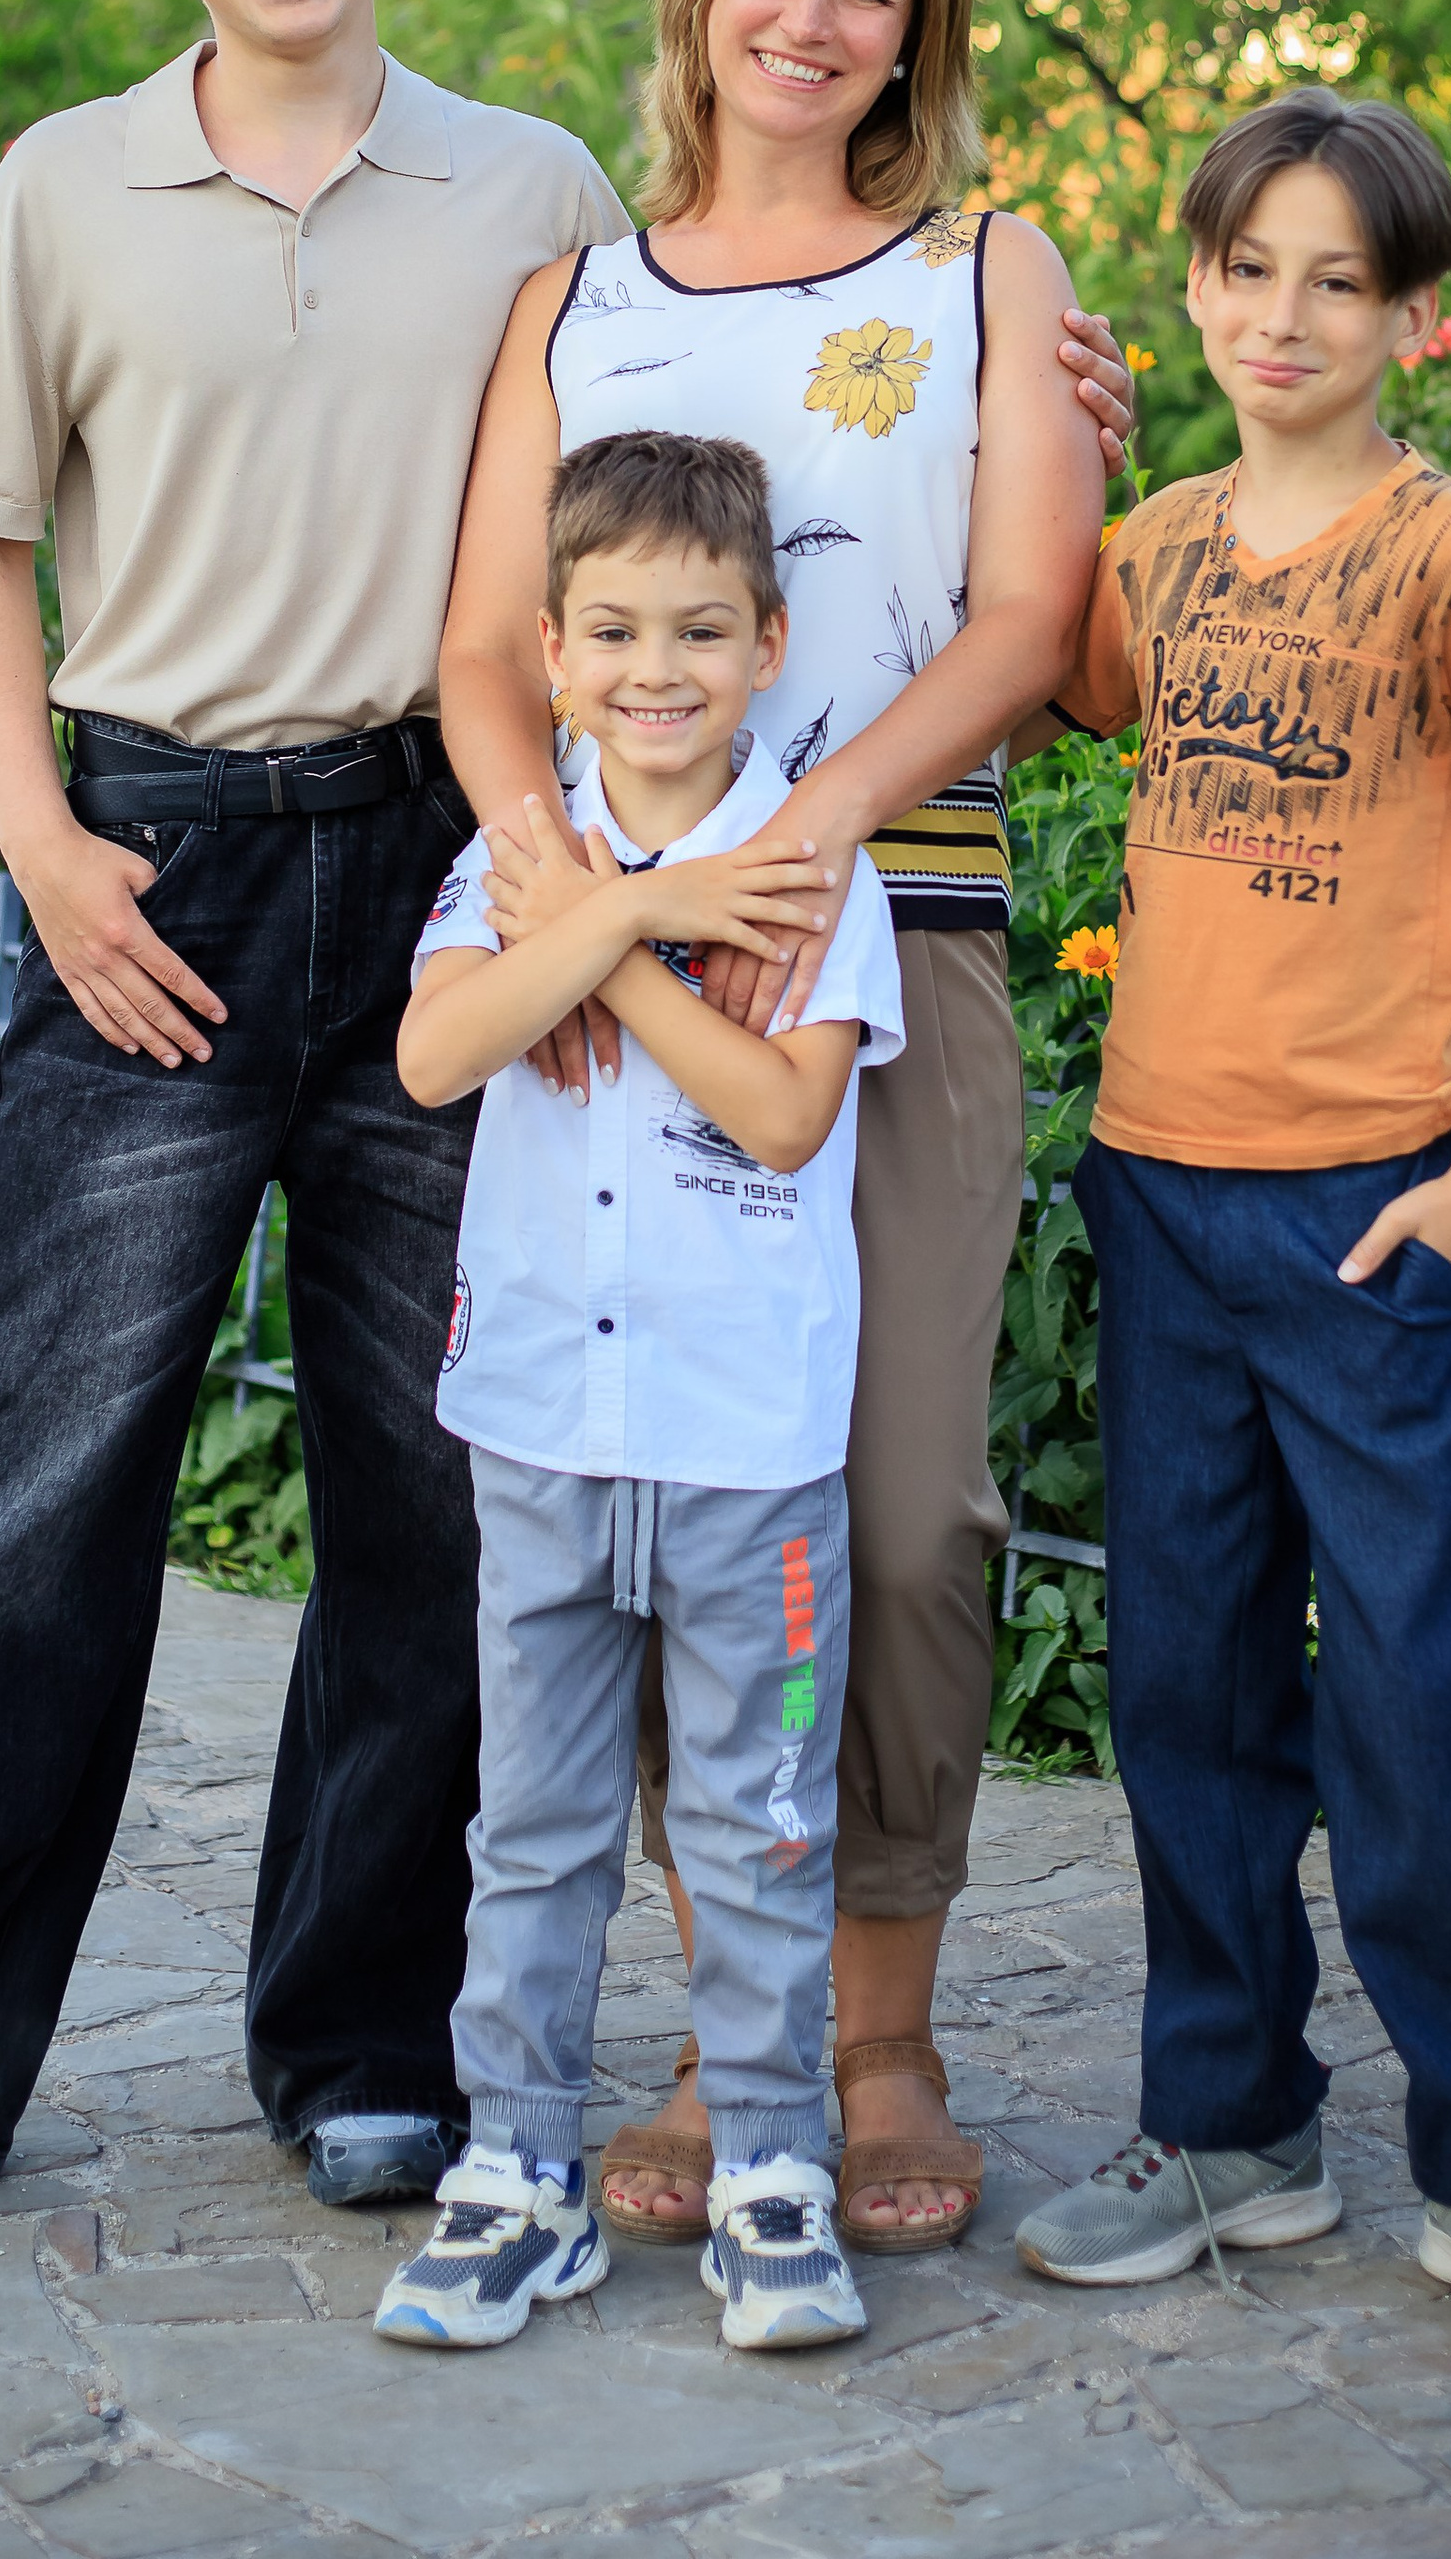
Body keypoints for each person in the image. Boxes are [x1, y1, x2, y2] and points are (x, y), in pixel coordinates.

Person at [0, 0, 1135, 2222]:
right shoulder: (74, 186)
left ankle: (371, 2053)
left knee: (443, 1498)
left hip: (464, 848)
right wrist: (53, 848)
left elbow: (884, 502)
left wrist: (1069, 413)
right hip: (173, 862)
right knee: (16, 1487)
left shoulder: (516, 193)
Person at [440, 0, 1104, 2252]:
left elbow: (1027, 617)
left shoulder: (980, 269)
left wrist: (784, 851)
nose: (812, 18)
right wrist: (583, 907)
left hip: (884, 937)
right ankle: (741, 2056)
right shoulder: (568, 303)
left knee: (905, 1509)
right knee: (665, 1495)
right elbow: (480, 658)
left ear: (913, 38)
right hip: (616, 968)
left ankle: (881, 2031)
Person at [1010, 89, 1451, 2359]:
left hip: (1376, 1213)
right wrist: (1063, 448)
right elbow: (1056, 668)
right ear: (1191, 285)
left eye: (1332, 282)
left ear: (1413, 321)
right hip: (1161, 1191)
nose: (1280, 315)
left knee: (1408, 1704)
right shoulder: (1157, 544)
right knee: (1181, 1692)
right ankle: (1228, 2129)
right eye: (1243, 269)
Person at [375, 431, 905, 2354]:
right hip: (539, 1441)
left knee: (762, 1816)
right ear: (553, 646)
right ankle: (518, 2172)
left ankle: (774, 2164)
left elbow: (781, 1117)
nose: (656, 667)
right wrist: (608, 914)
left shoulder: (807, 876)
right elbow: (440, 1055)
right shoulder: (511, 862)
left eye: (700, 629)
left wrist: (619, 956)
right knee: (535, 1825)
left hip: (750, 1467)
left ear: (769, 642)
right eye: (611, 631)